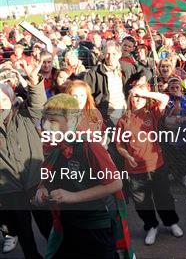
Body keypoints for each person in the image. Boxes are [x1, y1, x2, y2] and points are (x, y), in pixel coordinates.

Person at [35, 94, 133, 259]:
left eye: (53, 121)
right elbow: (47, 181)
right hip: (68, 224)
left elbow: (115, 184)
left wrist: (72, 197)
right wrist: (41, 191)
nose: (45, 126)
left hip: (95, 227)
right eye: (44, 119)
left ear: (73, 121)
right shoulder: (54, 149)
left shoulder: (90, 146)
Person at [116, 85, 183, 245]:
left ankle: (171, 222)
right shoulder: (123, 120)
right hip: (134, 169)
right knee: (141, 202)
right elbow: (119, 145)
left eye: (141, 96)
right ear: (129, 98)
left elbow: (165, 98)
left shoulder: (151, 113)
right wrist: (127, 156)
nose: (138, 99)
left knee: (164, 196)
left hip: (156, 164)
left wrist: (143, 92)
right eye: (135, 96)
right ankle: (151, 226)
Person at [0, 59, 52, 259]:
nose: (1, 104)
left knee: (47, 225)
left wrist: (33, 81)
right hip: (9, 189)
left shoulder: (26, 116)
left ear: (13, 99)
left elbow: (38, 103)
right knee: (23, 231)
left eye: (4, 99)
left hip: (35, 183)